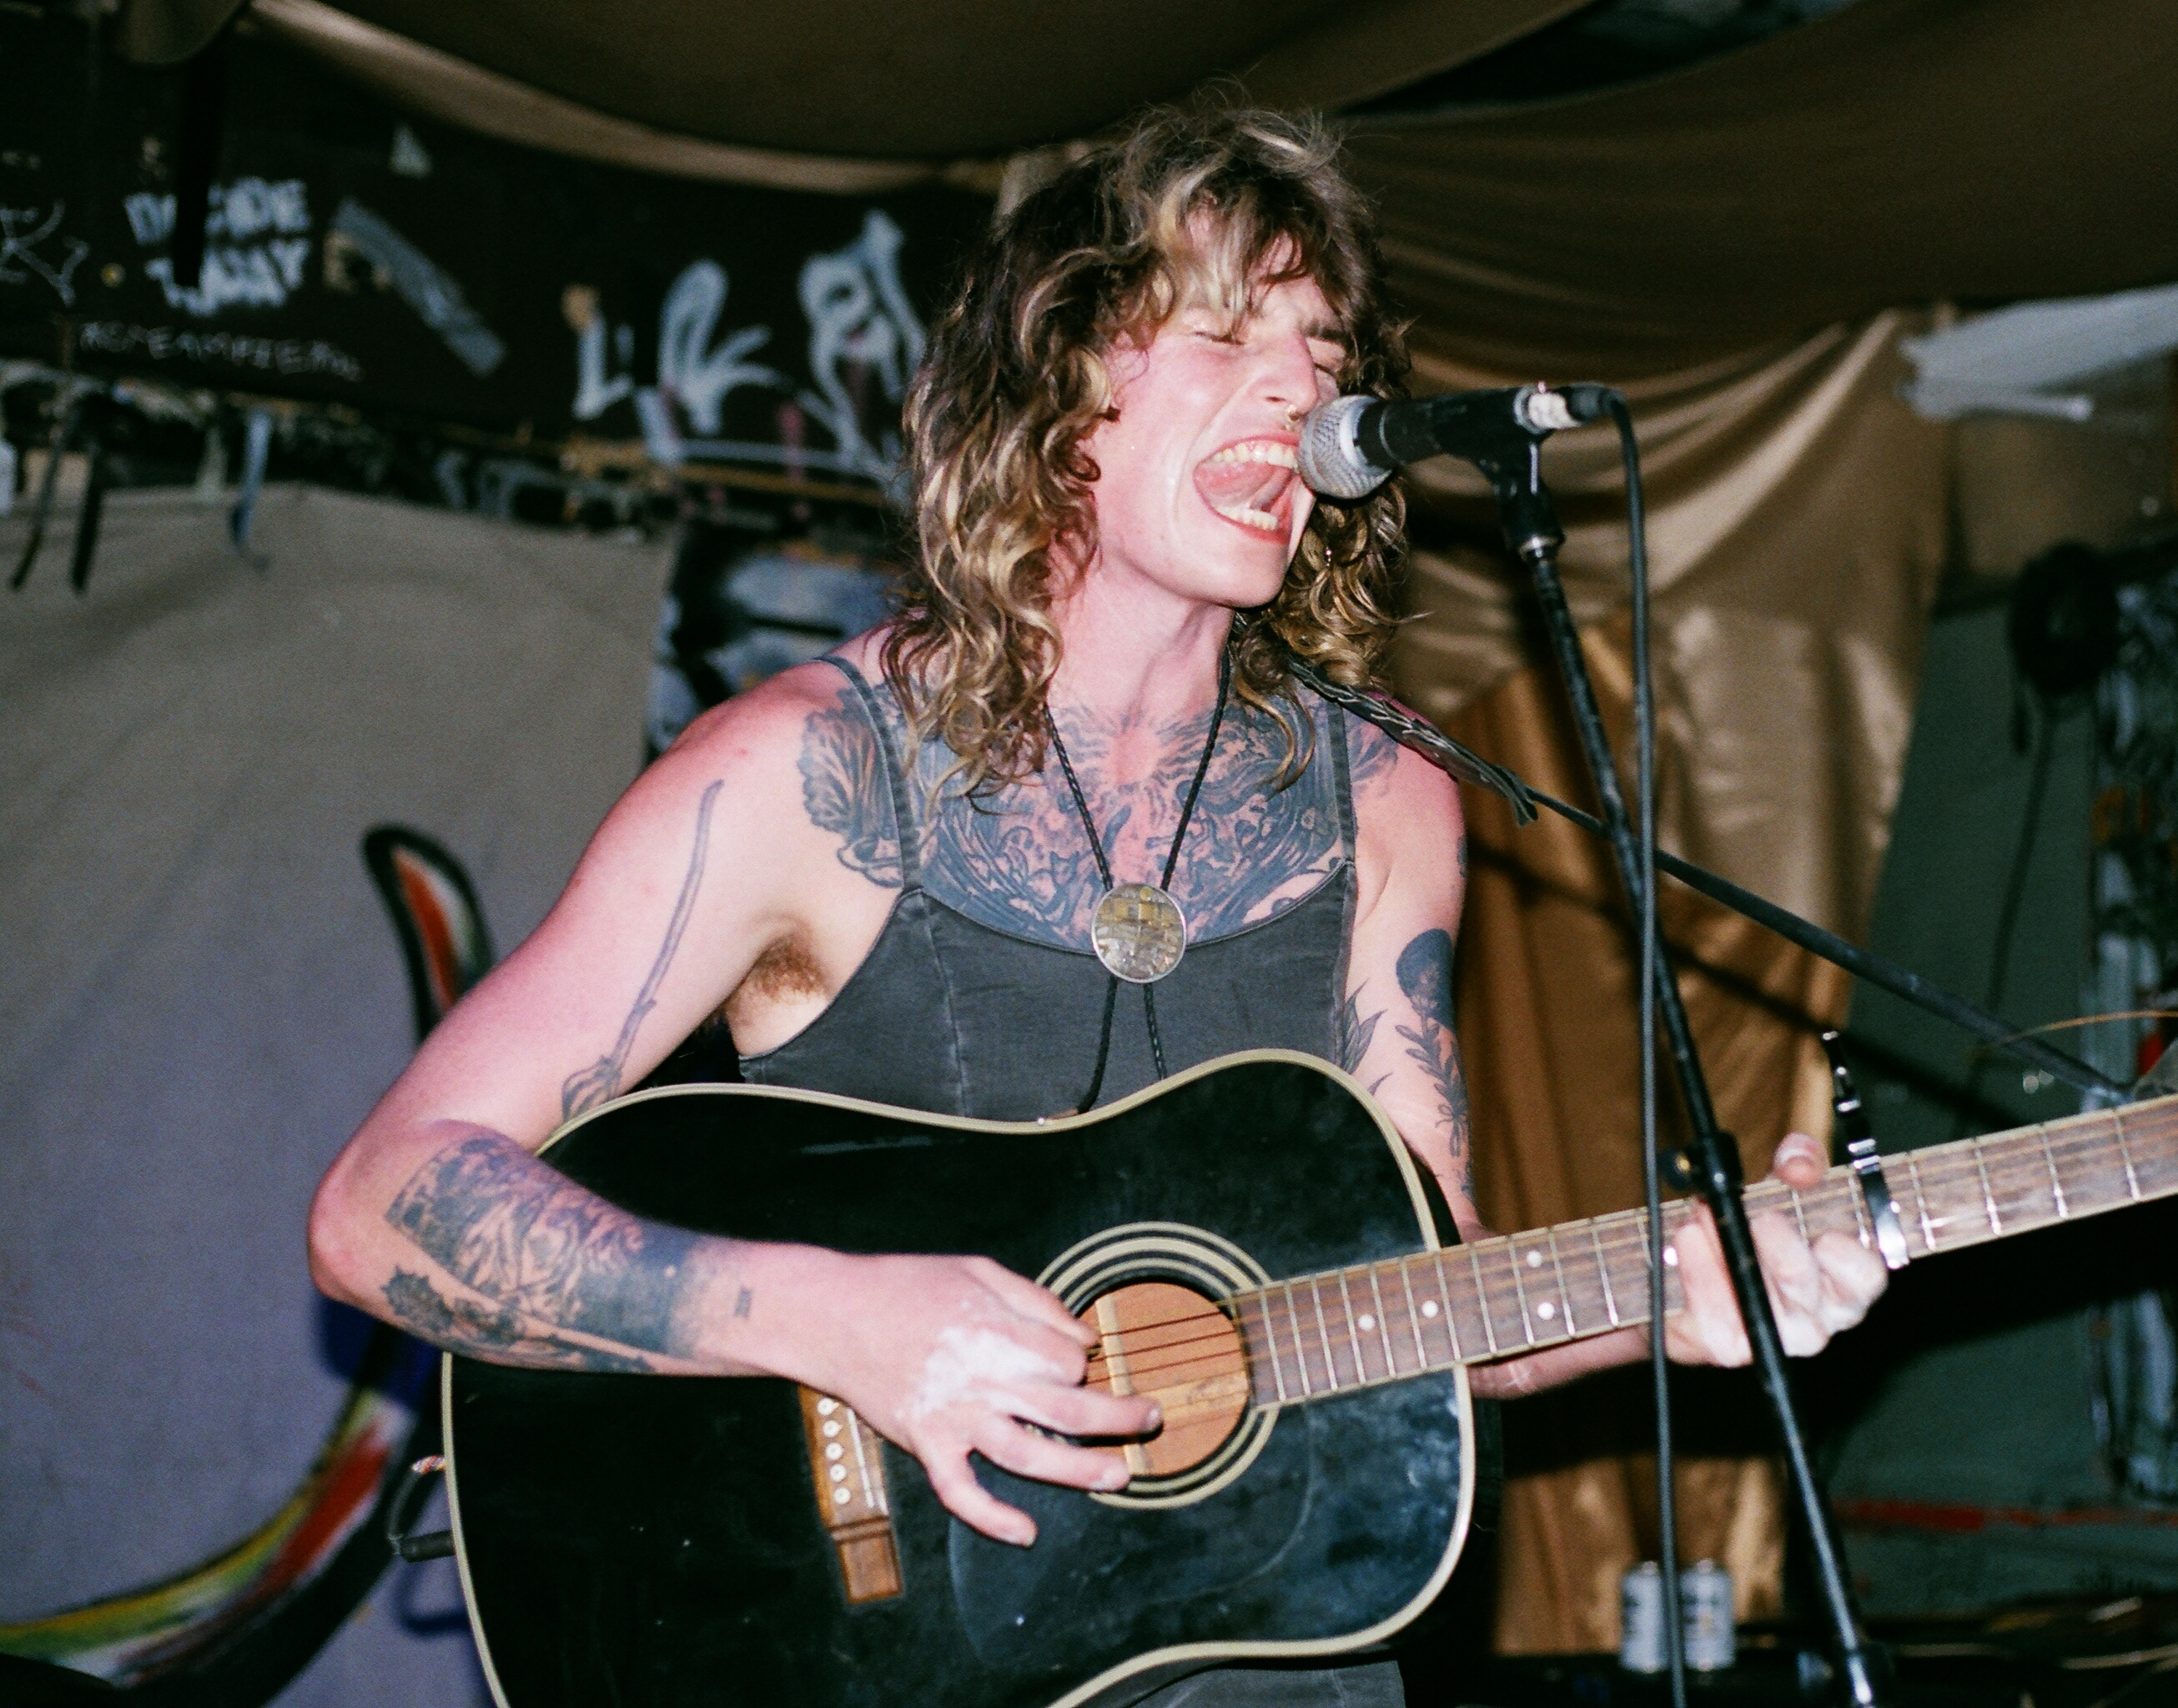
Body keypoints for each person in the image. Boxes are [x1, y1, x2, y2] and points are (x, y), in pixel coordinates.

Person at [307, 104, 1886, 1703]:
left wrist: (1677, 1296)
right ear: (1052, 383)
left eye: (1324, 352)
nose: (1303, 393)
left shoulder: (1387, 797)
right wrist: (832, 1320)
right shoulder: (798, 776)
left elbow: (1431, 1294)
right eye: (1226, 334)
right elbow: (383, 1206)